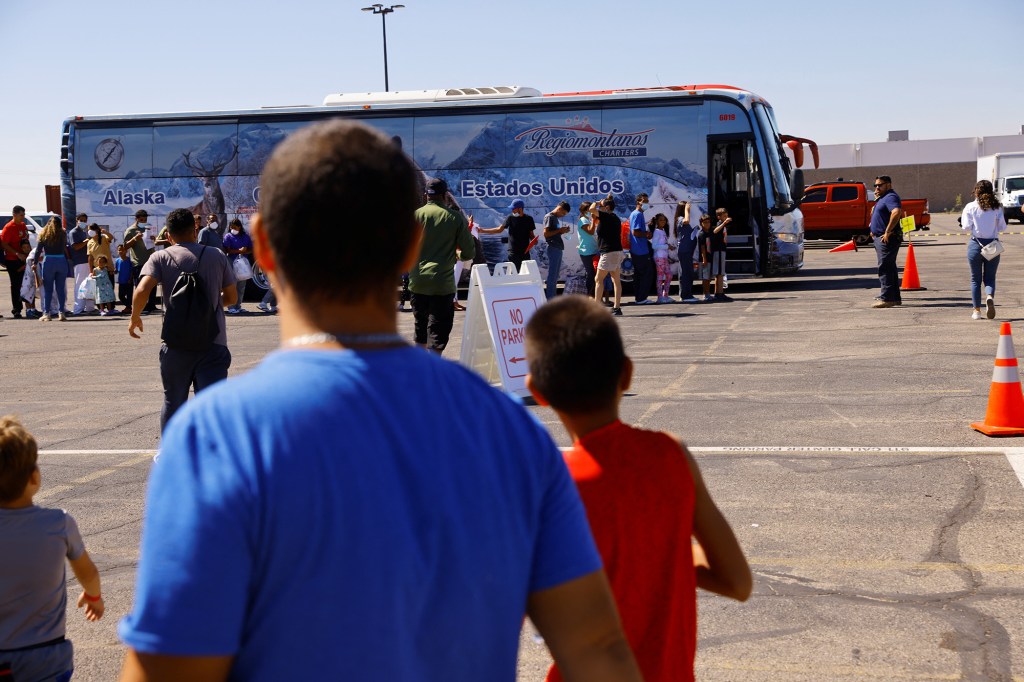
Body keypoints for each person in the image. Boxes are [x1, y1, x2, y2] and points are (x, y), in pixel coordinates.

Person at [117, 120, 643, 682]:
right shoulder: (507, 429)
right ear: (412, 245)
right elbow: (597, 648)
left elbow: (169, 668)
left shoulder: (216, 437)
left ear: (264, 244)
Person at [524, 296, 752, 682]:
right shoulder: (671, 455)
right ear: (626, 376)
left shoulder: (552, 486)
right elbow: (737, 582)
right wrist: (666, 548)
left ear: (538, 392)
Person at [0, 415, 105, 682]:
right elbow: (89, 573)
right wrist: (94, 598)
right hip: (45, 656)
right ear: (34, 477)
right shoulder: (59, 523)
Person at [128, 207, 237, 431]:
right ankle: (212, 457)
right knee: (211, 406)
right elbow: (232, 298)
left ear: (168, 235)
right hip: (213, 342)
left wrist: (135, 317)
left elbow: (141, 291)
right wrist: (211, 306)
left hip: (176, 345)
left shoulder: (159, 257)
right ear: (195, 230)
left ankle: (169, 456)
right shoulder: (216, 255)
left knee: (173, 402)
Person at [409, 178, 475, 354]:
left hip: (417, 282)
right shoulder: (454, 218)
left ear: (426, 195)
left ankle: (421, 370)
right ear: (445, 195)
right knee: (438, 333)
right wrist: (457, 254)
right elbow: (469, 253)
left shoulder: (414, 216)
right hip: (442, 284)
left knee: (420, 329)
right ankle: (432, 371)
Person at [961, 179, 1007, 320]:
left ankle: (976, 311)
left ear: (976, 191)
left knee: (975, 279)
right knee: (990, 278)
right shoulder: (997, 207)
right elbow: (1002, 227)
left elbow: (966, 227)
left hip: (976, 244)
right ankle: (989, 297)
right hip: (992, 245)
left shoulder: (970, 207)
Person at [870, 175, 903, 308]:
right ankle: (894, 297)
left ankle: (887, 298)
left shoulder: (890, 197)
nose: (877, 187)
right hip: (880, 237)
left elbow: (896, 212)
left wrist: (887, 231)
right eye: (875, 185)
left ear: (888, 185)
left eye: (880, 185)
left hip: (888, 238)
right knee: (890, 268)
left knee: (885, 268)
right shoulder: (883, 198)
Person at [480, 198, 535, 271]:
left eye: (514, 209)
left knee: (526, 272)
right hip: (513, 252)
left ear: (520, 209)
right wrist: (482, 230)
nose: (512, 210)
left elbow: (531, 235)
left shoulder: (529, 219)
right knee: (515, 273)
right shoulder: (510, 218)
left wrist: (534, 240)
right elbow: (499, 230)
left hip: (525, 252)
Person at [594, 196, 624, 316]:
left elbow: (591, 209)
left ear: (606, 207)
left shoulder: (606, 216)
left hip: (608, 252)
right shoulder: (615, 218)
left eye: (601, 207)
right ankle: (617, 308)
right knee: (616, 280)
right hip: (616, 251)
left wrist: (596, 202)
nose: (599, 209)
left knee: (598, 279)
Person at [123, 210, 158, 314]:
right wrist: (134, 238)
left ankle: (151, 305)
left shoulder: (149, 228)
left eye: (145, 219)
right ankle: (140, 306)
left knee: (152, 284)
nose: (144, 221)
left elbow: (154, 242)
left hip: (150, 260)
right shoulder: (131, 230)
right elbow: (125, 246)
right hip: (139, 262)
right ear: (136, 219)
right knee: (140, 286)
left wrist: (153, 239)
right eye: (142, 219)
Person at [36, 218, 70, 322]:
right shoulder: (63, 234)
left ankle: (47, 313)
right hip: (61, 260)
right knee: (60, 289)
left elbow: (38, 250)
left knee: (48, 289)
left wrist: (34, 263)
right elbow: (65, 247)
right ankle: (61, 312)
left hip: (49, 261)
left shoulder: (44, 234)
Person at [1, 205, 30, 318]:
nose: (23, 217)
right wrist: (17, 253)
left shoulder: (22, 225)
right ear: (14, 215)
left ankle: (30, 308)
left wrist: (28, 253)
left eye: (23, 215)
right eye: (21, 215)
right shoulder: (9, 227)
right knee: (16, 285)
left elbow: (25, 240)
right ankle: (17, 309)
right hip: (12, 260)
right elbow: (4, 244)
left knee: (27, 284)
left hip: (24, 259)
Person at [222, 218, 253, 314]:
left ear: (239, 227)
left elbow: (251, 249)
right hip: (231, 262)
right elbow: (227, 250)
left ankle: (238, 306)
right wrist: (240, 251)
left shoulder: (245, 236)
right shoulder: (228, 236)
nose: (233, 229)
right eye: (231, 227)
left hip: (243, 263)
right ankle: (231, 307)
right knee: (233, 284)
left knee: (241, 286)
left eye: (235, 227)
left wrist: (244, 251)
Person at [628, 193, 654, 304]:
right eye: (644, 201)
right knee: (646, 274)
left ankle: (639, 297)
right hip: (640, 250)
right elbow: (635, 232)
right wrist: (646, 235)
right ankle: (642, 298)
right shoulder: (638, 214)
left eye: (647, 201)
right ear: (638, 202)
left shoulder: (636, 214)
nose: (646, 203)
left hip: (636, 249)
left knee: (639, 275)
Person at [68, 212, 96, 316]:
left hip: (87, 261)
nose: (83, 222)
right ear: (77, 220)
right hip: (79, 262)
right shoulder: (73, 232)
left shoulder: (84, 232)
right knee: (80, 285)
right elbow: (75, 247)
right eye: (81, 220)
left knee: (89, 285)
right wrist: (86, 241)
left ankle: (89, 307)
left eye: (85, 220)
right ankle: (78, 309)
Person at [543, 201, 572, 300]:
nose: (562, 216)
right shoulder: (549, 217)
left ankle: (552, 298)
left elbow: (553, 233)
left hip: (557, 247)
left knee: (555, 276)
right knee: (552, 276)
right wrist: (559, 231)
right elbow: (546, 234)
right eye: (563, 213)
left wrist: (562, 231)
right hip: (553, 247)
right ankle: (550, 299)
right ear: (559, 209)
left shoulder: (554, 218)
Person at [86, 223, 116, 310]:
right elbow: (90, 257)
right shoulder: (89, 242)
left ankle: (111, 308)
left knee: (110, 288)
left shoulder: (103, 238)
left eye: (92, 229)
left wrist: (105, 232)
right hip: (97, 269)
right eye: (89, 230)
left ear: (96, 230)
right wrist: (91, 270)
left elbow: (111, 238)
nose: (90, 231)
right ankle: (101, 308)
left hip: (108, 268)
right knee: (99, 289)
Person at [674, 201, 699, 303]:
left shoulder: (681, 220)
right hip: (684, 250)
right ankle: (685, 295)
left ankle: (687, 293)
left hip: (687, 250)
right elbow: (686, 221)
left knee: (688, 272)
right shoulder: (680, 219)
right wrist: (687, 209)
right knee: (685, 272)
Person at [710, 208, 733, 302]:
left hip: (722, 249)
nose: (726, 218)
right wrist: (724, 223)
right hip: (718, 250)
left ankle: (718, 292)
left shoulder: (723, 225)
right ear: (719, 217)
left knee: (720, 273)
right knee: (719, 273)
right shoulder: (720, 224)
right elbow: (715, 231)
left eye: (726, 216)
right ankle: (719, 293)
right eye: (724, 216)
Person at [577, 201, 599, 298]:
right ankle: (589, 295)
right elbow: (590, 231)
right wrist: (594, 221)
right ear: (586, 210)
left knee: (593, 273)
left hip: (591, 250)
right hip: (587, 251)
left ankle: (593, 295)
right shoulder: (583, 220)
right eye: (589, 210)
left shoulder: (586, 219)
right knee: (591, 274)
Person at [650, 213, 674, 303]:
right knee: (660, 277)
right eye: (661, 220)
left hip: (663, 257)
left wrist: (667, 246)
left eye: (664, 220)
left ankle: (665, 295)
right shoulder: (657, 232)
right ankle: (660, 297)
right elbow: (654, 246)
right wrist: (667, 246)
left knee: (669, 275)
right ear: (657, 221)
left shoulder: (662, 230)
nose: (663, 221)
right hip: (659, 257)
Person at [18, 240, 42, 319]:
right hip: (23, 280)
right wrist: (26, 266)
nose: (26, 249)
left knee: (32, 294)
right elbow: (17, 270)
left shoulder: (32, 255)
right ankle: (28, 310)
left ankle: (33, 309)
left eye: (28, 247)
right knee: (26, 295)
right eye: (24, 248)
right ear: (21, 248)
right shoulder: (21, 258)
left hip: (31, 278)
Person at [698, 214, 714, 302]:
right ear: (701, 224)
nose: (707, 224)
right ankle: (705, 294)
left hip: (710, 257)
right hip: (705, 258)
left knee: (708, 277)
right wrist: (704, 259)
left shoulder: (709, 232)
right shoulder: (701, 234)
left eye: (708, 222)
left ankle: (708, 293)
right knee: (705, 277)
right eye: (705, 223)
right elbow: (702, 248)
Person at [115, 244, 134, 313]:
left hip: (128, 281)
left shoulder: (129, 260)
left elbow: (131, 271)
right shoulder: (117, 260)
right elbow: (116, 270)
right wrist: (113, 271)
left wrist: (130, 279)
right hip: (121, 282)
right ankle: (129, 306)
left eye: (122, 250)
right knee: (121, 296)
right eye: (119, 250)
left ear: (126, 251)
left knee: (129, 296)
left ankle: (128, 308)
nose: (121, 251)